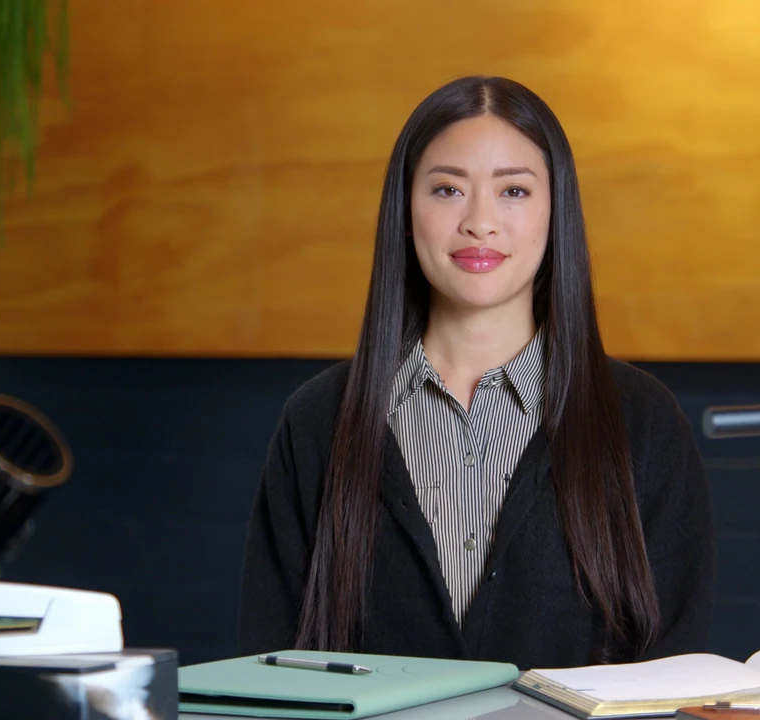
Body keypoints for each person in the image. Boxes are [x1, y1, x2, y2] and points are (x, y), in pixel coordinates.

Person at [237, 75, 714, 670]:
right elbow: (271, 668)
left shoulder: (641, 420)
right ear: (405, 211)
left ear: (555, 212)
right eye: (447, 190)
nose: (480, 222)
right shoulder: (317, 421)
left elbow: (677, 671)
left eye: (513, 190)